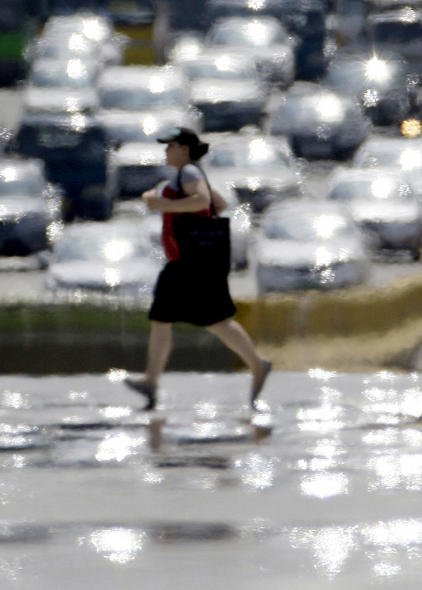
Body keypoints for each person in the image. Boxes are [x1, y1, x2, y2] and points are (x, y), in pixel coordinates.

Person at [125, 127, 272, 410]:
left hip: (190, 263)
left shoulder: (190, 173)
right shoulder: (190, 174)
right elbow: (221, 203)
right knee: (176, 319)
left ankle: (257, 364)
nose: (166, 152)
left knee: (205, 321)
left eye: (170, 147)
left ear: (183, 149)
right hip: (189, 263)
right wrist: (169, 200)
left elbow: (204, 201)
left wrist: (163, 203)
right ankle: (152, 381)